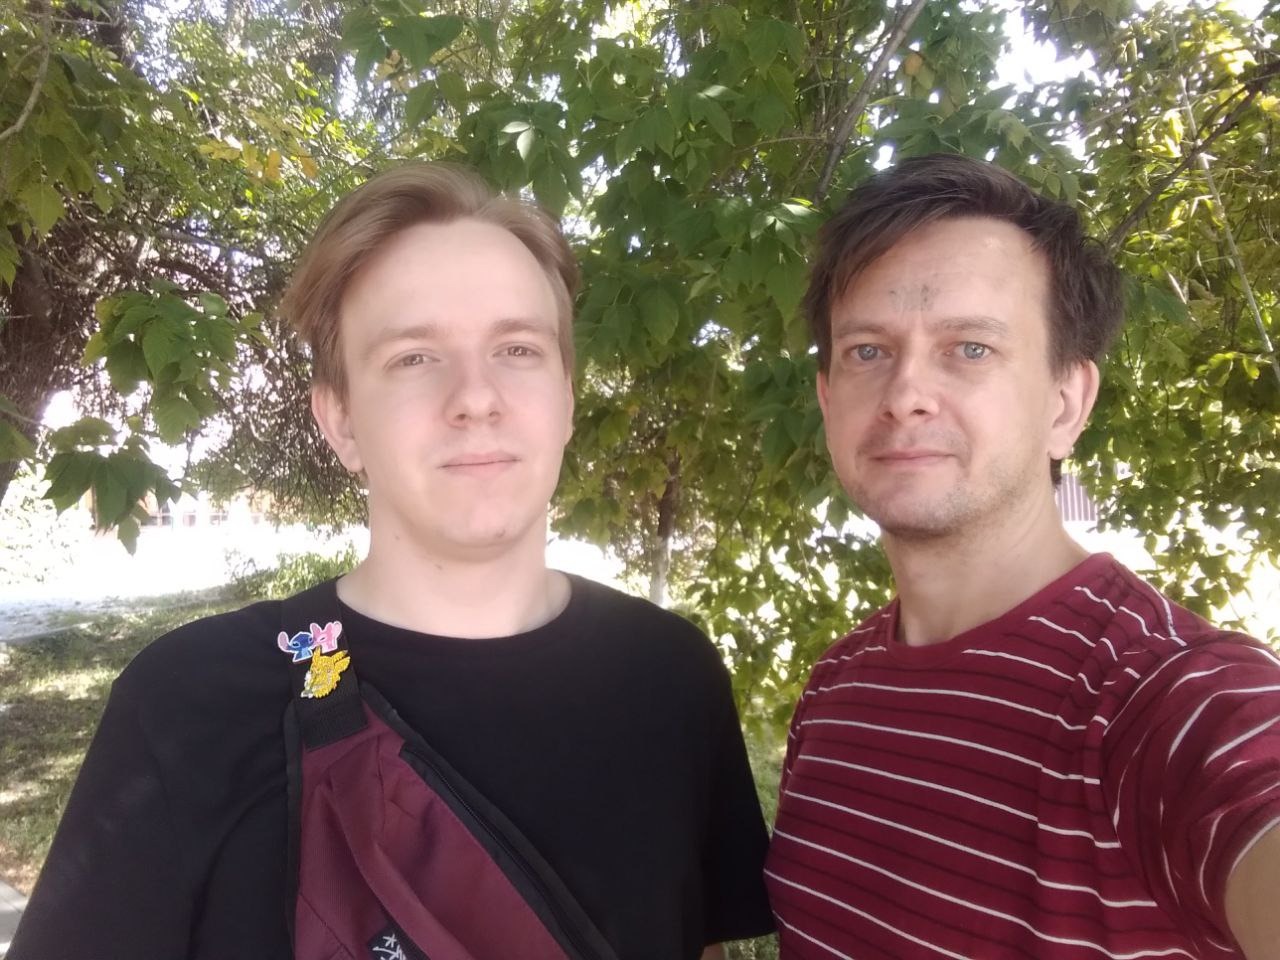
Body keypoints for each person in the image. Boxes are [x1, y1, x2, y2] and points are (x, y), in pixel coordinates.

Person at [11, 163, 774, 959]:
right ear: (340, 421)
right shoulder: (185, 706)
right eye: (414, 357)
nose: (475, 397)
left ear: (568, 398)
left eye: (517, 348)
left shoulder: (672, 681)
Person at [765, 153, 1280, 959]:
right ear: (827, 399)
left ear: (1066, 404)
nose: (905, 394)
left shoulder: (1164, 696)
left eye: (970, 348)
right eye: (867, 350)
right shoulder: (835, 688)